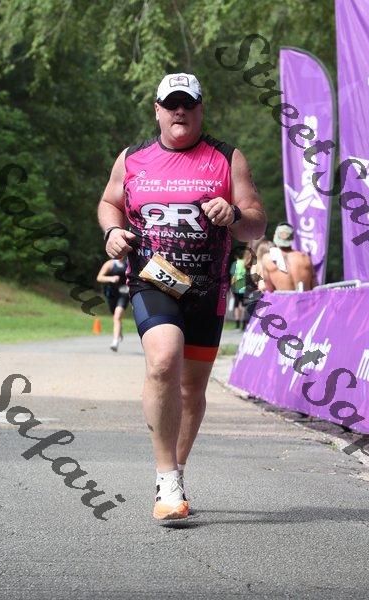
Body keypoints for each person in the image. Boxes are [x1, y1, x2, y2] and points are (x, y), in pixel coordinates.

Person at [97, 72, 266, 520]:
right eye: (171, 103)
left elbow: (257, 222)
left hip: (207, 289)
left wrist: (234, 213)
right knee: (163, 360)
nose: (179, 111)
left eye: (187, 103)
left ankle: (178, 470)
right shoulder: (133, 158)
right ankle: (166, 478)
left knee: (191, 389)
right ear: (157, 110)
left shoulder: (227, 158)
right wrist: (112, 231)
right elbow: (110, 202)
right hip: (152, 279)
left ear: (200, 109)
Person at [262, 222, 317, 292]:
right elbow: (314, 286)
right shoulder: (305, 258)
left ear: (275, 236)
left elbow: (269, 289)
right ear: (292, 238)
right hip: (304, 298)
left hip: (282, 298)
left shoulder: (267, 259)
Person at [96, 258, 129, 351]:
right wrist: (111, 278)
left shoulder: (128, 264)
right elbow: (99, 277)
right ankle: (119, 330)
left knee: (117, 316)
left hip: (124, 294)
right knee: (115, 316)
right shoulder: (110, 264)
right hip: (112, 294)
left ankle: (115, 342)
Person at [230, 248, 246, 329]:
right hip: (245, 287)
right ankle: (244, 323)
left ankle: (237, 324)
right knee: (243, 305)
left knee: (236, 305)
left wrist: (231, 288)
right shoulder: (246, 263)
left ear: (236, 256)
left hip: (236, 287)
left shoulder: (234, 264)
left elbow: (233, 276)